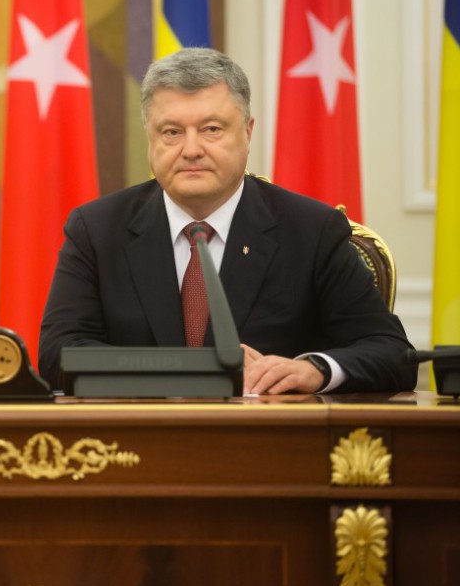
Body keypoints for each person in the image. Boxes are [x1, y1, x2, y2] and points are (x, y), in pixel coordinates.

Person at [38, 48, 416, 395]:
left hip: (268, 440)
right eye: (172, 132)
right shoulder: (97, 229)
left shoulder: (311, 230)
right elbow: (58, 355)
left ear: (247, 133)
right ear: (149, 138)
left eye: (212, 129)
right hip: (139, 439)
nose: (191, 150)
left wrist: (314, 369)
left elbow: (392, 353)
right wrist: (183, 373)